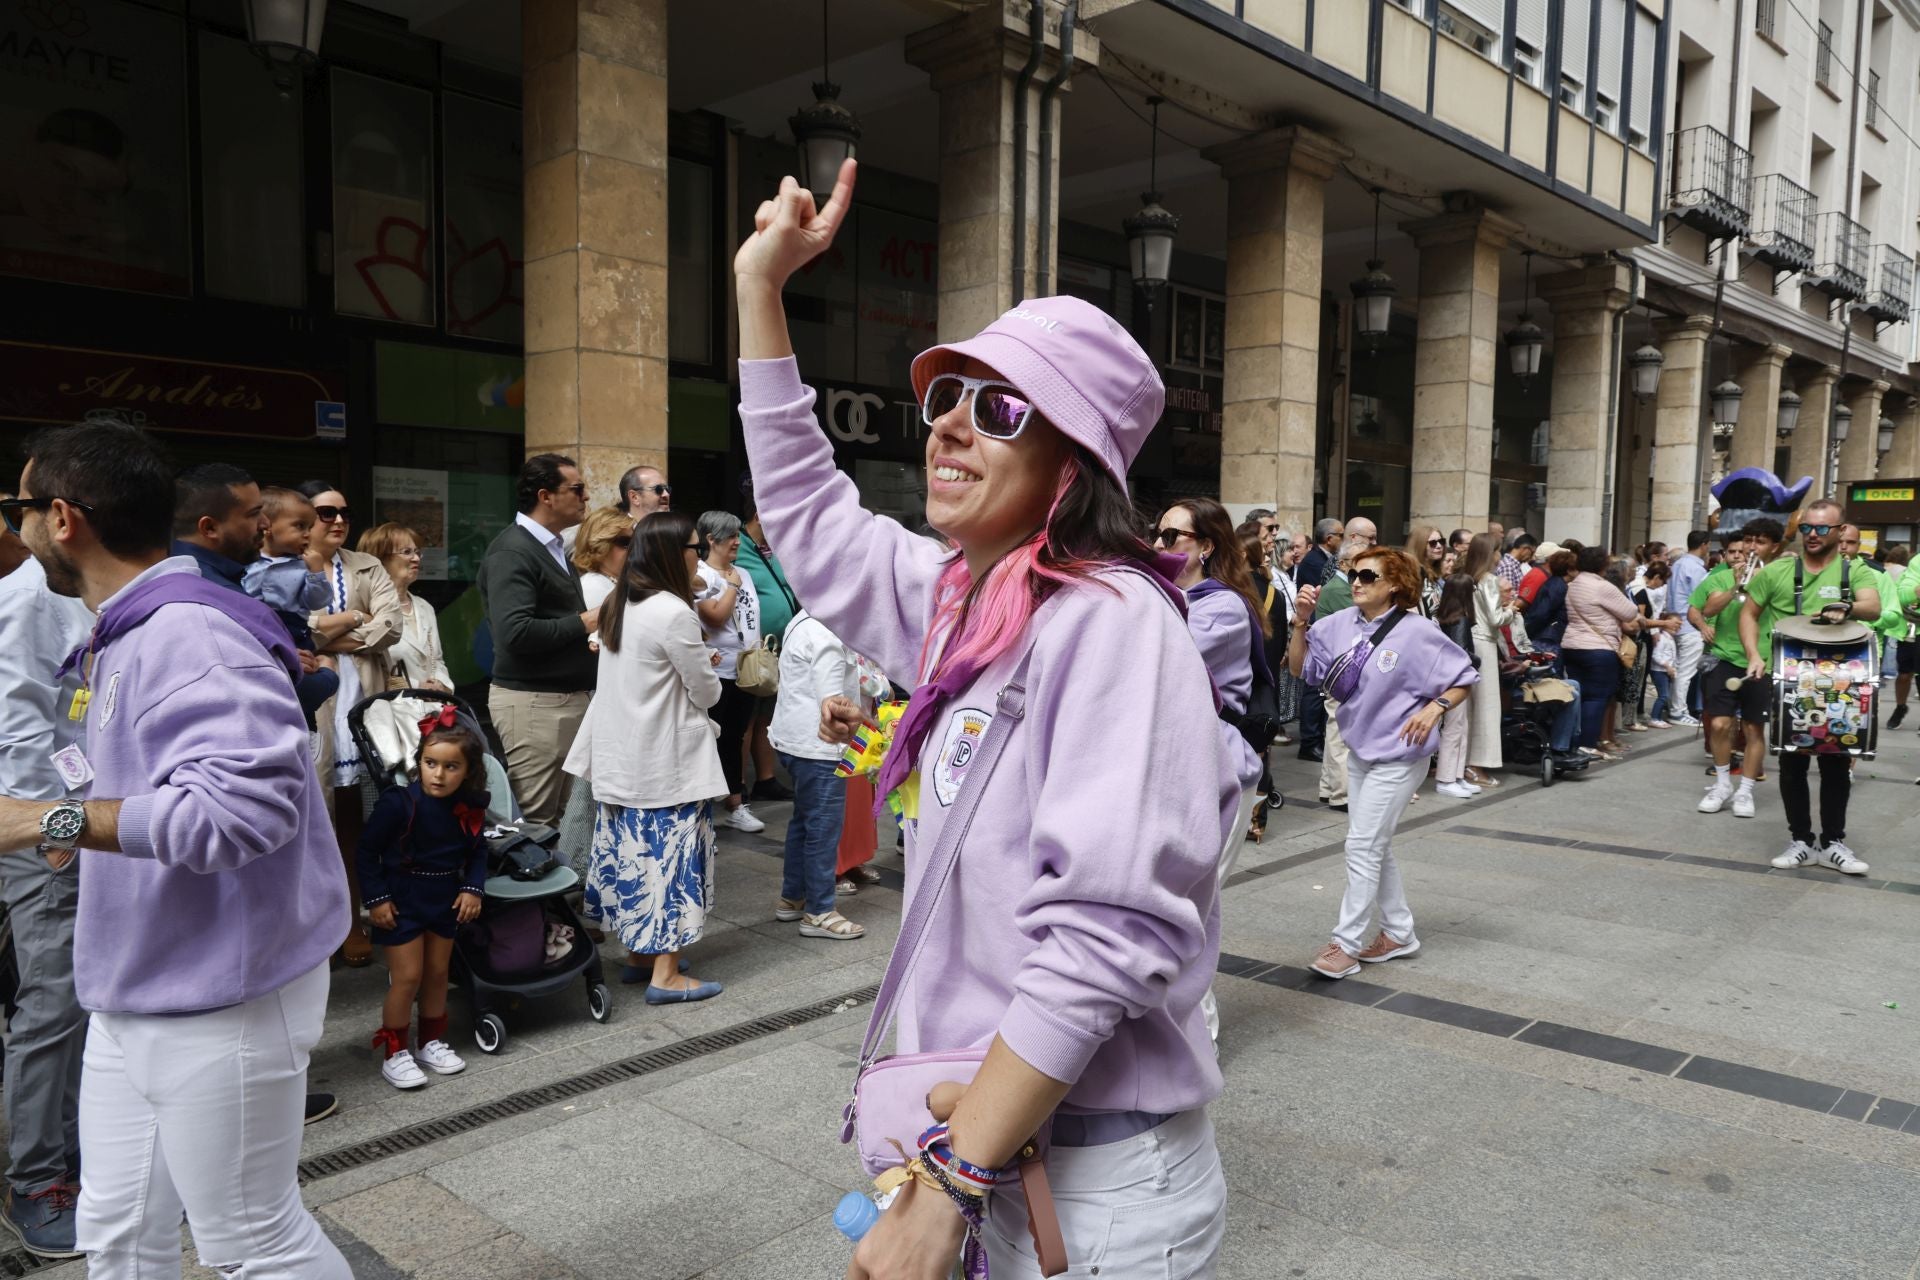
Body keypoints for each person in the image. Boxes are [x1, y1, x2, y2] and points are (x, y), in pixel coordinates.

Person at [737, 164, 1233, 1278]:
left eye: (1001, 406)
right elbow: (812, 518)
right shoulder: (963, 597)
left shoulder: (1112, 623)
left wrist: (953, 1178)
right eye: (945, 398)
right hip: (988, 1145)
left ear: (1074, 461)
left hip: (1084, 1180)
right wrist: (761, 287)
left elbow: (1108, 933)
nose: (953, 426)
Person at [0, 420, 351, 1278]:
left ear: (63, 518)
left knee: (254, 1242)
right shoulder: (125, 626)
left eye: (19, 508)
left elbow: (242, 810)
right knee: (116, 1231)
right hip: (139, 986)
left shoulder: (187, 633)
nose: (14, 528)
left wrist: (48, 821)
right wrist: (78, 812)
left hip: (222, 992)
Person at [1290, 548, 1477, 977]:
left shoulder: (1418, 632)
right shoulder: (1335, 624)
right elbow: (1303, 671)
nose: (1356, 581)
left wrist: (1435, 708)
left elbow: (1463, 675)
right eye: (1353, 573)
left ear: (1394, 584)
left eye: (1368, 575)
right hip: (1360, 750)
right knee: (1374, 843)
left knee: (1361, 845)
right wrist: (1301, 621)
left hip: (1402, 754)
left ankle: (1347, 943)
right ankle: (1399, 932)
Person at [564, 511, 725, 1003]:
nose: (699, 553)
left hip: (622, 756)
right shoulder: (673, 612)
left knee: (631, 857)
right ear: (674, 554)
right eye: (695, 546)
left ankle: (640, 956)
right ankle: (666, 975)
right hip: (664, 760)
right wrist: (705, 668)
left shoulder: (621, 603)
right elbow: (707, 692)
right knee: (671, 862)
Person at [0, 490, 91, 1258]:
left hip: (82, 821)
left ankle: (73, 1156)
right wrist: (56, 822)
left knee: (76, 1001)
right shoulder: (29, 597)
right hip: (44, 831)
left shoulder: (68, 591)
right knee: (50, 1003)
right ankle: (36, 1181)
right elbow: (25, 723)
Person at [1158, 497, 1266, 1038]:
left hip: (1218, 768)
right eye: (1157, 533)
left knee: (1192, 911)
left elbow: (1160, 661)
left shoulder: (1219, 606)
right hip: (1179, 765)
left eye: (1173, 535)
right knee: (1179, 906)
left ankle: (1198, 1039)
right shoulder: (1173, 597)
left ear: (1206, 546)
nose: (1160, 544)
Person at [296, 480, 404, 967]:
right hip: (316, 707)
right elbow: (292, 627)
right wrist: (346, 621)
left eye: (344, 512)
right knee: (316, 817)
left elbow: (392, 625)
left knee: (359, 816)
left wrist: (328, 633)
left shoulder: (368, 564)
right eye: (325, 513)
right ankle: (324, 922)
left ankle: (359, 915)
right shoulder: (284, 567)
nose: (338, 521)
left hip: (365, 704)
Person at [1740, 499, 1881, 874]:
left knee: (1836, 763)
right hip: (1792, 680)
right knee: (1792, 760)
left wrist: (1847, 607)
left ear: (1839, 532)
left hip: (1841, 682)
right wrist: (1754, 654)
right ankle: (1801, 840)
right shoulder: (1779, 571)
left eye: (1821, 529)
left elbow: (1873, 605)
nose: (1812, 535)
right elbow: (1748, 612)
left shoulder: (1855, 571)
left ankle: (1833, 842)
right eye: (1806, 529)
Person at [358, 712, 486, 1089]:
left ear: (467, 770)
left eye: (451, 766)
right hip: (402, 902)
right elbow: (366, 852)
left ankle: (431, 1042)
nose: (439, 774)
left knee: (437, 975)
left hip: (444, 900)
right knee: (407, 978)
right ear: (419, 763)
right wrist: (376, 899)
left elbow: (478, 852)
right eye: (431, 764)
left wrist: (472, 888)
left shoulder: (469, 807)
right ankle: (395, 1053)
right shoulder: (398, 804)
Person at [476, 454, 597, 829]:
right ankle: (528, 888)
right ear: (546, 496)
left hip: (561, 700)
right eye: (576, 489)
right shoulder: (513, 551)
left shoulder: (552, 546)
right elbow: (515, 633)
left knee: (557, 819)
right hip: (534, 704)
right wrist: (588, 621)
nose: (585, 497)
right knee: (532, 823)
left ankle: (556, 887)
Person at [768, 608, 868, 941]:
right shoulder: (827, 632)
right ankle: (819, 911)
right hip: (818, 747)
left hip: (795, 741)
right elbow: (833, 702)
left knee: (804, 822)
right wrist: (855, 726)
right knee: (823, 829)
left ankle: (793, 896)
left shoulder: (803, 620)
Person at [1691, 527, 1779, 816]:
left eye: (1749, 547)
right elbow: (1704, 610)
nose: (1743, 553)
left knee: (1753, 728)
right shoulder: (1718, 578)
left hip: (1762, 660)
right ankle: (1722, 784)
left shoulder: (1775, 577)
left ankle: (1746, 791)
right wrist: (1735, 588)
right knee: (1718, 725)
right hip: (1724, 658)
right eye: (1737, 550)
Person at [694, 510, 767, 832]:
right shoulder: (700, 574)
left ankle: (736, 804)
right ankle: (702, 811)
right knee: (711, 738)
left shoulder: (741, 572)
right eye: (732, 536)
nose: (738, 541)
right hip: (716, 671)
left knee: (736, 737)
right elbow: (714, 616)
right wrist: (732, 587)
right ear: (712, 539)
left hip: (744, 670)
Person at [243, 487, 338, 726]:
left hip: (293, 632)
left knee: (297, 685)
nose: (308, 534)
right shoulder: (247, 561)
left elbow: (318, 601)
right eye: (299, 526)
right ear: (268, 525)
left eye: (309, 527)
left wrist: (317, 571)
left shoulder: (303, 565)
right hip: (253, 630)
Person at [739, 491, 801, 803]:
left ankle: (766, 778)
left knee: (767, 715)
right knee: (747, 717)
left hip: (778, 648)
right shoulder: (738, 546)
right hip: (752, 652)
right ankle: (738, 788)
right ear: (760, 515)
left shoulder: (774, 548)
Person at [1561, 544, 1645, 750]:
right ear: (1603, 565)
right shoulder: (1602, 586)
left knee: (1577, 697)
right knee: (1596, 697)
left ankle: (1571, 743)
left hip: (1572, 645)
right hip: (1598, 648)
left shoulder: (1574, 584)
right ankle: (1587, 745)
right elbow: (1630, 612)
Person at [359, 521, 454, 691]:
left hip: (432, 709)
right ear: (380, 559)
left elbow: (436, 660)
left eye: (417, 552)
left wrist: (441, 686)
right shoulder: (367, 607)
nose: (416, 558)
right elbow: (370, 668)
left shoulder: (424, 607)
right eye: (407, 552)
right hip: (389, 709)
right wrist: (418, 687)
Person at [1461, 532, 1512, 784]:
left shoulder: (1469, 579)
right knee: (1487, 708)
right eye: (1498, 549)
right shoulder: (1489, 580)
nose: (1500, 555)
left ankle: (1465, 762)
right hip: (1485, 644)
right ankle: (1476, 765)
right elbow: (1496, 619)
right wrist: (1512, 610)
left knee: (1470, 708)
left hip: (1471, 642)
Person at [169, 462, 265, 591]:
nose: (266, 524)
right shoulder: (223, 597)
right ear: (209, 528)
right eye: (254, 514)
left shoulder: (152, 569)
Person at [1431, 572, 1482, 799]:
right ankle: (1447, 778)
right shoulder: (1460, 618)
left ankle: (1456, 775)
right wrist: (1479, 661)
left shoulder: (1442, 615)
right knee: (1456, 728)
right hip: (1458, 678)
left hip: (1447, 677)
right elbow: (1462, 653)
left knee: (1457, 727)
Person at [1666, 529, 1712, 727]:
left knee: (1678, 669)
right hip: (1689, 623)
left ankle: (1675, 707)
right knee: (1685, 671)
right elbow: (1701, 597)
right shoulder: (1696, 568)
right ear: (1704, 545)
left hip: (1674, 621)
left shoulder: (1677, 564)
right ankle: (1678, 711)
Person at [571, 506, 635, 614]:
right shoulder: (595, 587)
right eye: (625, 542)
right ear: (599, 546)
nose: (633, 548)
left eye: (635, 541)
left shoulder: (612, 581)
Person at [1886, 544, 1918, 728]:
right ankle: (1900, 707)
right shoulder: (1916, 563)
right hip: (1911, 625)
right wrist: (1915, 592)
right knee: (1904, 674)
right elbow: (1903, 594)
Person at [1407, 526, 1447, 615]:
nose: (1439, 546)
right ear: (1419, 545)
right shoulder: (1412, 573)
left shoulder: (1437, 575)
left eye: (1441, 541)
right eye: (1433, 543)